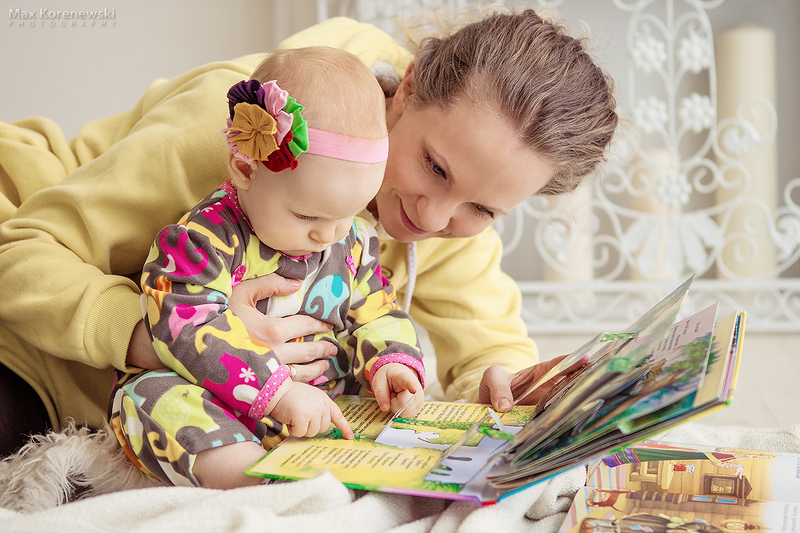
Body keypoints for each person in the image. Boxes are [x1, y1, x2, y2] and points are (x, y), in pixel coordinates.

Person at [0, 11, 617, 458]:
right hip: (31, 331)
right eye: (434, 167)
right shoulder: (246, 129)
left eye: (482, 208)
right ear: (407, 91)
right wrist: (170, 338)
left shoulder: (449, 201)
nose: (432, 220)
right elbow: (19, 253)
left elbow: (487, 343)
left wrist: (500, 381)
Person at [108, 46, 426, 488]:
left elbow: (376, 311)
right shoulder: (202, 240)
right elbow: (183, 326)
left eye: (349, 213)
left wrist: (392, 363)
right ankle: (254, 480)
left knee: (376, 399)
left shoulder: (353, 240)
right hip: (220, 399)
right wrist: (276, 391)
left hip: (315, 407)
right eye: (307, 215)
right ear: (245, 169)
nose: (329, 235)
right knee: (149, 397)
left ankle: (319, 465)